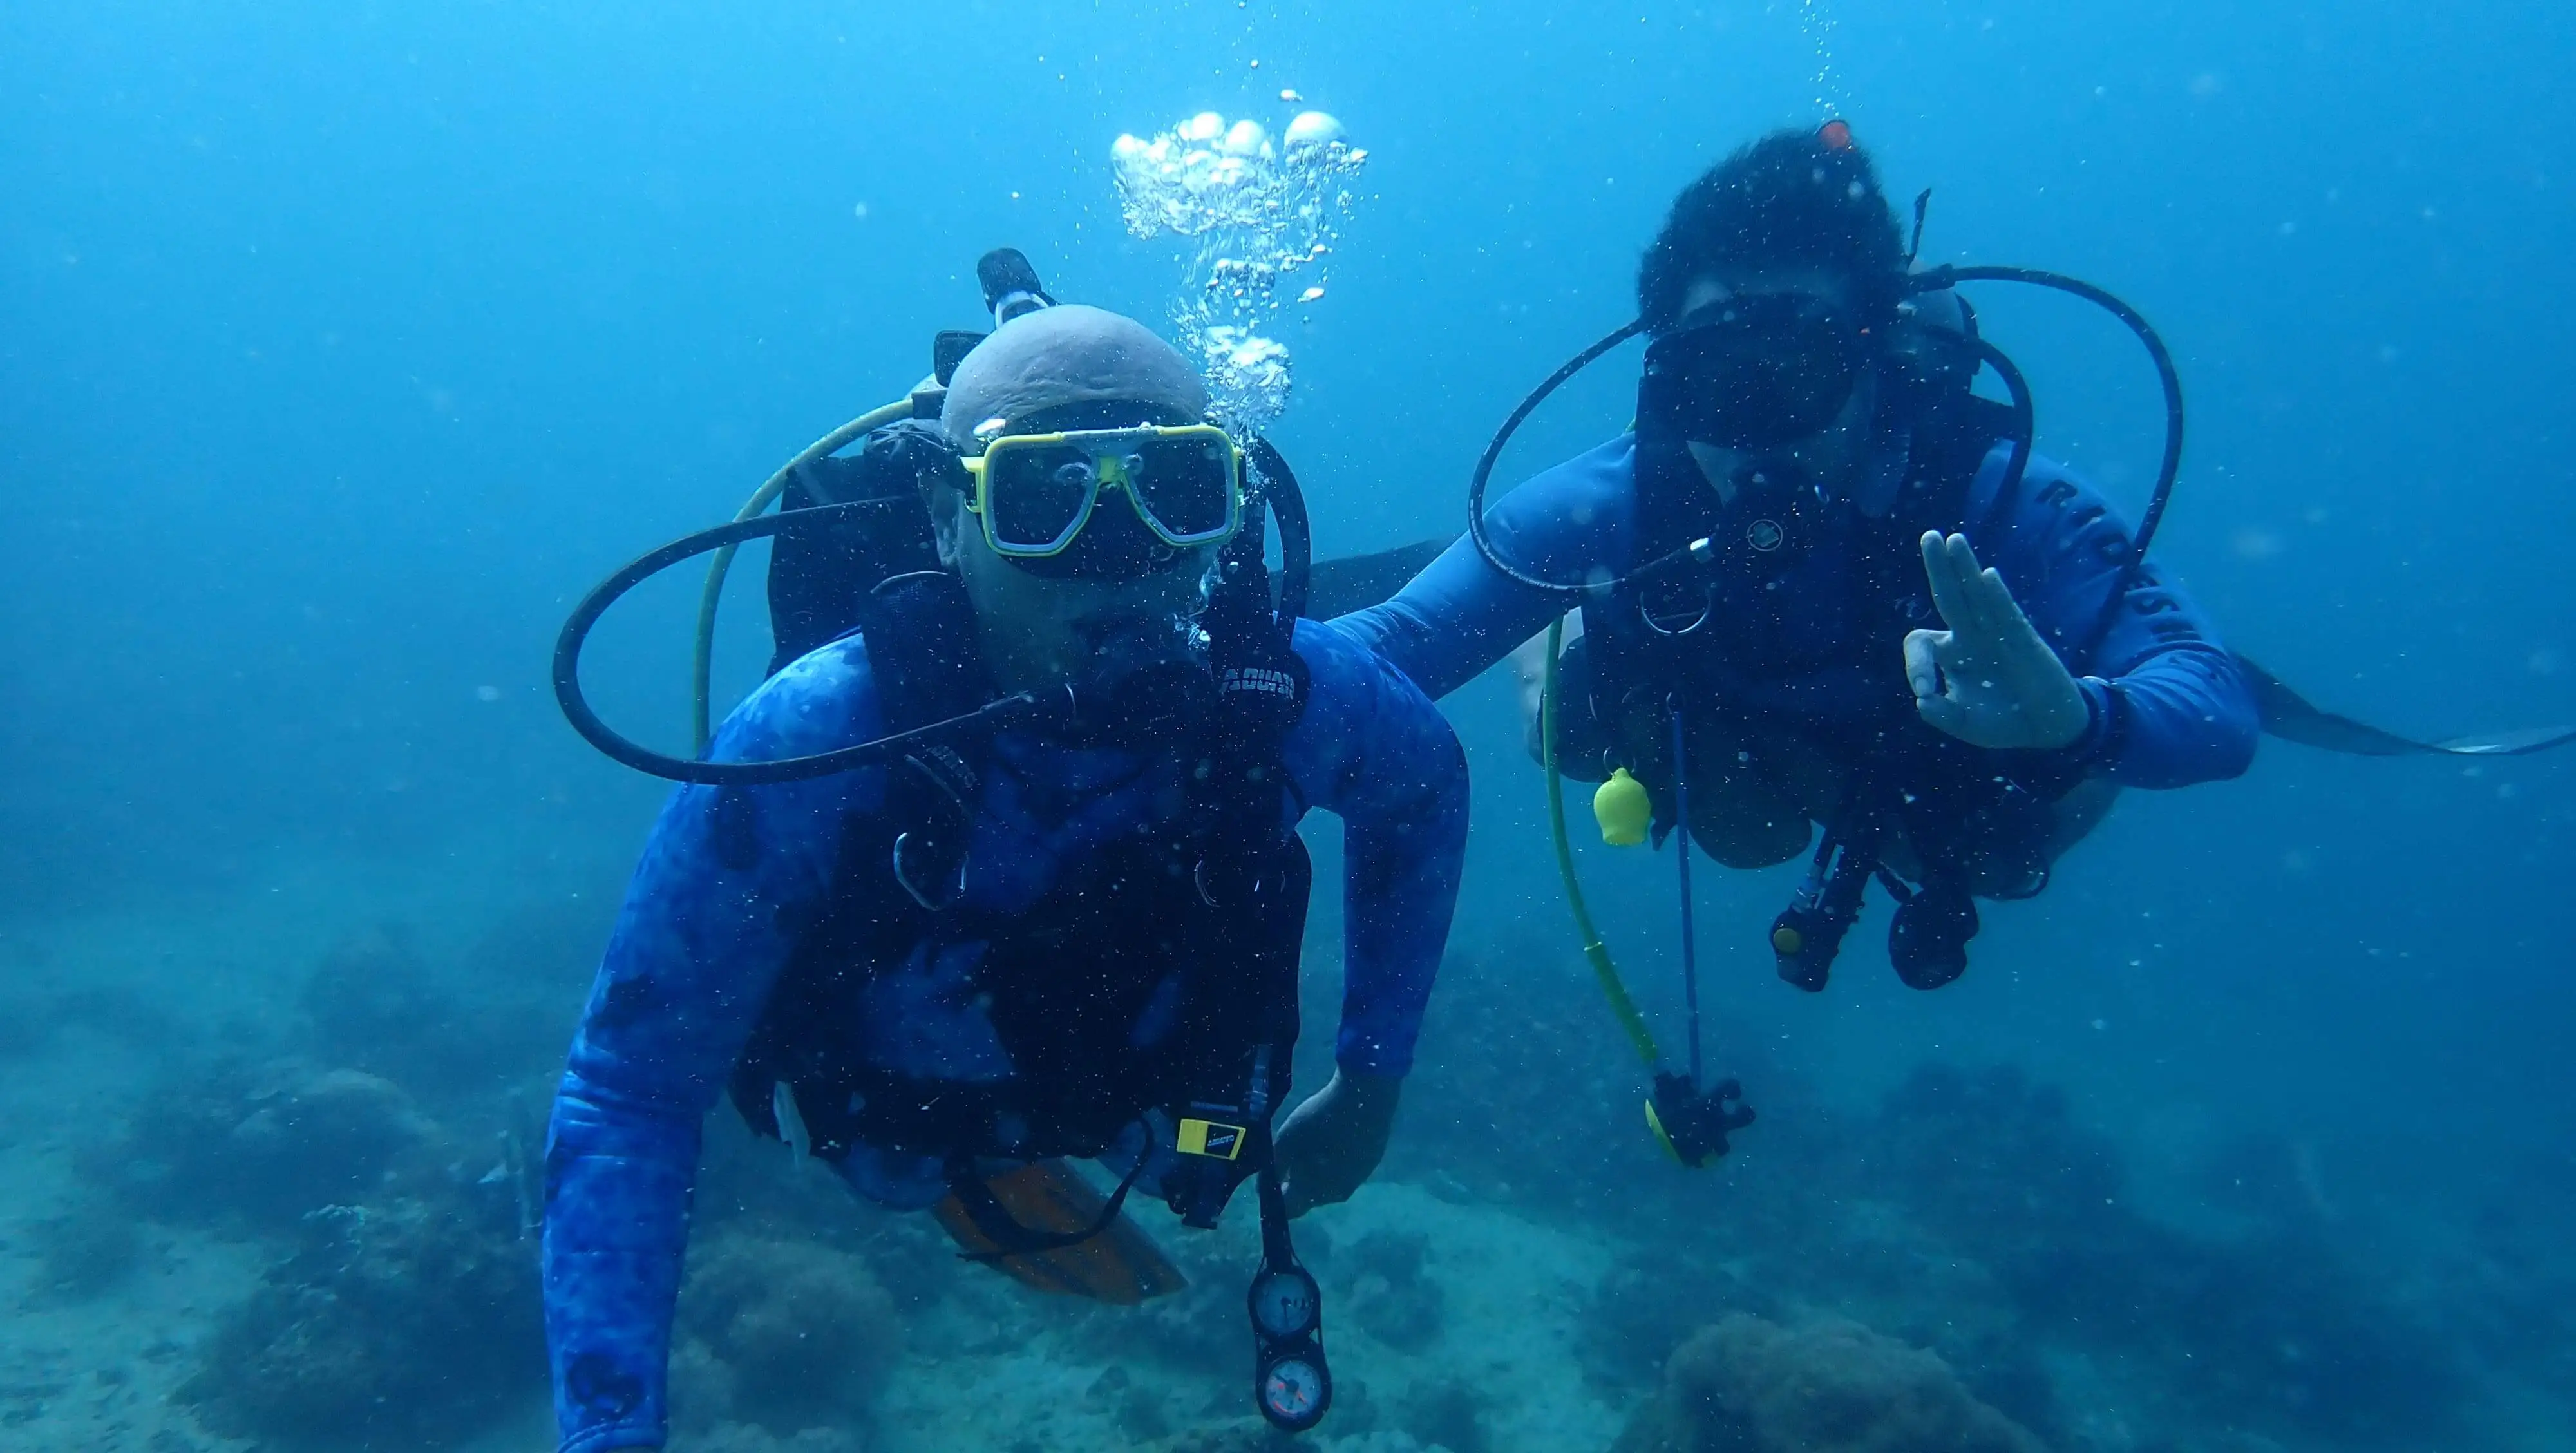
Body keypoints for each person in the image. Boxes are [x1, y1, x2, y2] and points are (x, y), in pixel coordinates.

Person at [542, 302, 1468, 1450]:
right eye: (1046, 501)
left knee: (1196, 1170)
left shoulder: (1285, 697)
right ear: (949, 515)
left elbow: (1423, 786)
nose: (1122, 562)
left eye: (1174, 494)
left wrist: (1372, 1082)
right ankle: (980, 1182)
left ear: (1229, 507)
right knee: (896, 1167)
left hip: (1151, 1100)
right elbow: (628, 1091)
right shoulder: (821, 736)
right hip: (902, 1123)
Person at [1340, 122, 2257, 991]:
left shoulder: (1991, 496)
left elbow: (2214, 701)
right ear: (1667, 377)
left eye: (1798, 371)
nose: (1758, 426)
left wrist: (2079, 719)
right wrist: (1236, 685)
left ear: (1879, 365)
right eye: (1720, 377)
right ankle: (1539, 616)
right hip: (1712, 697)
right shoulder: (1614, 496)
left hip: (1900, 737)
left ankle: (1537, 595)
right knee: (1585, 747)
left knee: (2007, 855)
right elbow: (1393, 640)